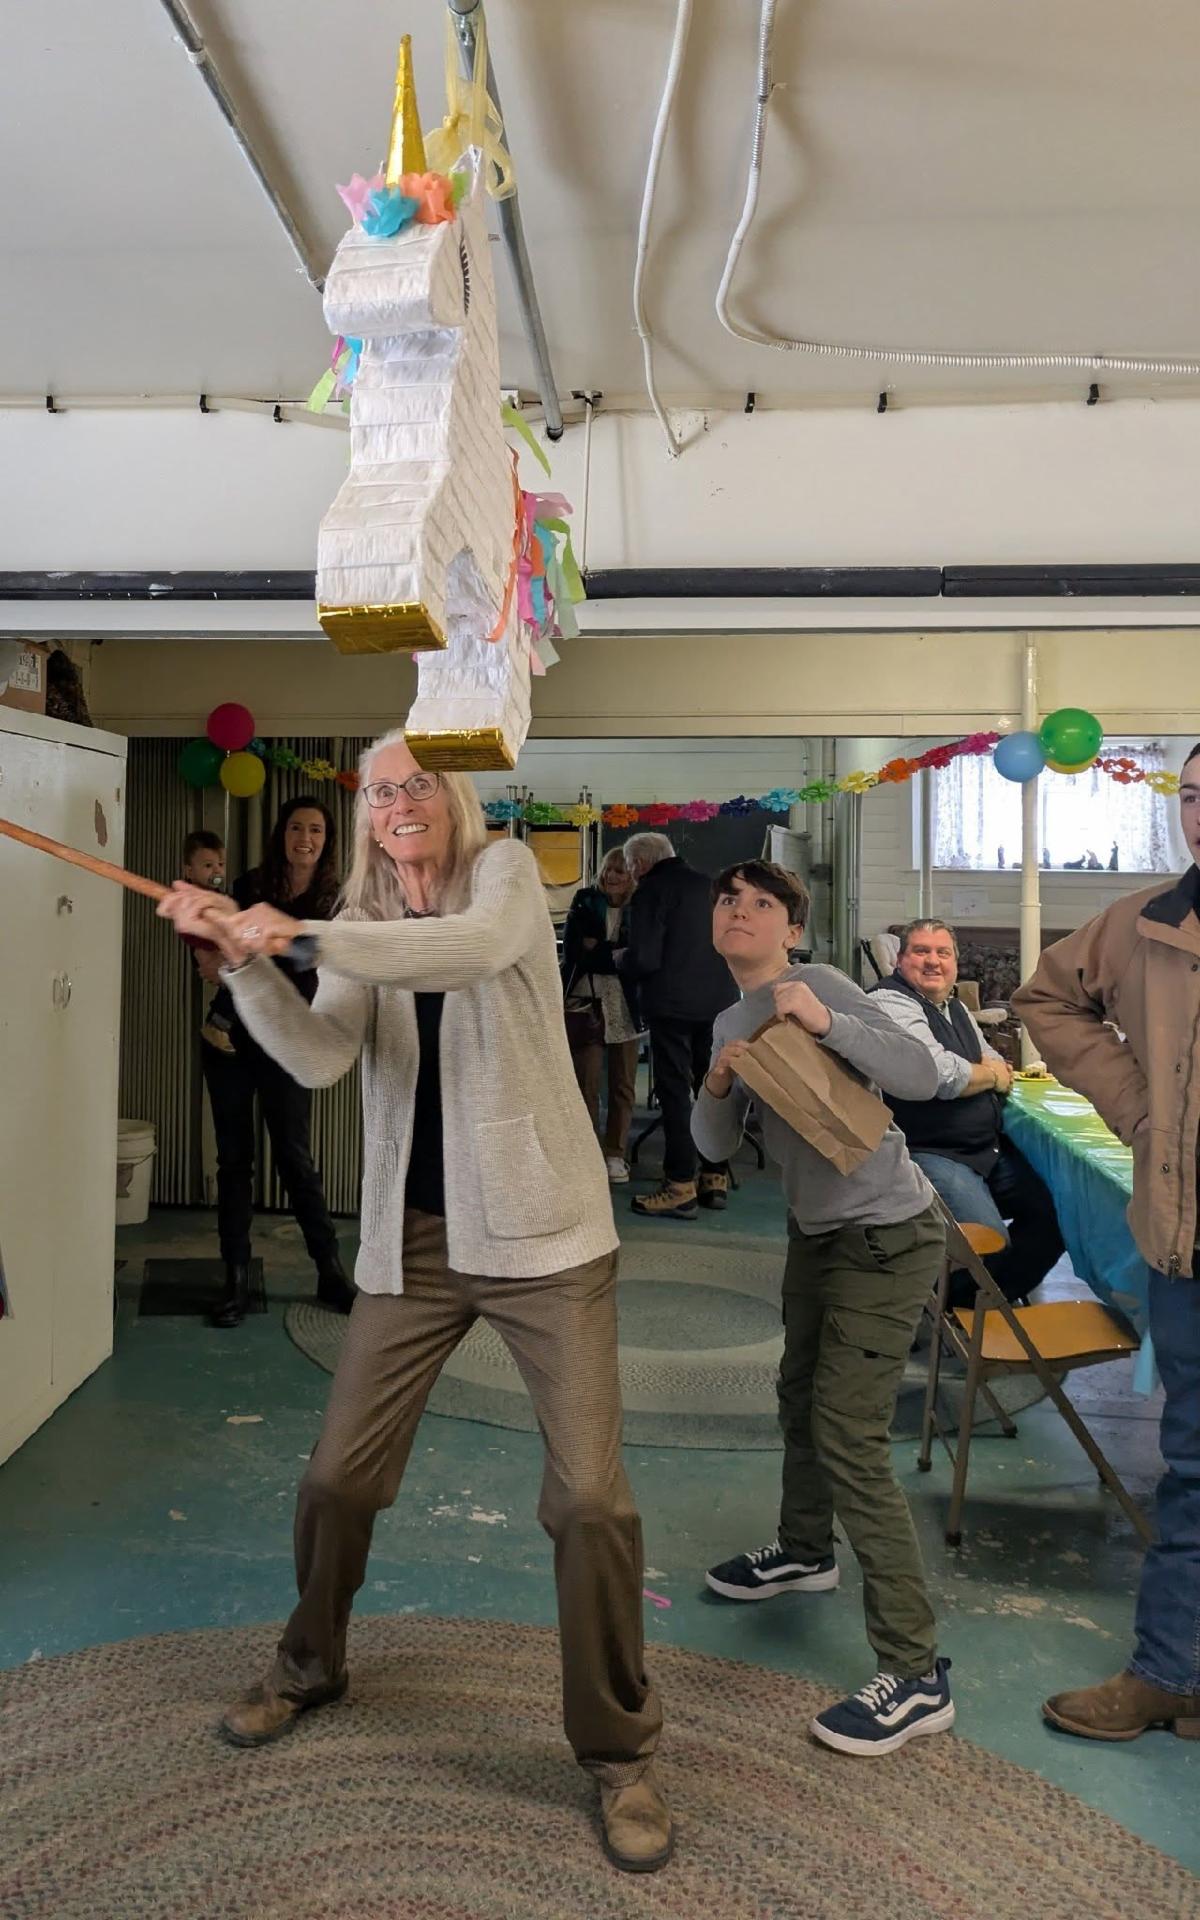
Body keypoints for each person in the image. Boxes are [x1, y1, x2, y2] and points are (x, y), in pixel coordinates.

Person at [158, 731, 671, 1874]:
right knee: (337, 1479)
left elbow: (469, 951)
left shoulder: (504, 878)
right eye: (380, 790)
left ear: (453, 796)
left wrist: (292, 933)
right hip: (417, 1241)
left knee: (590, 1502)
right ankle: (310, 1665)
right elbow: (320, 1057)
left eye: (417, 785)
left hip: (545, 1237)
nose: (399, 803)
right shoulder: (362, 913)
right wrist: (242, 965)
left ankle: (619, 1750)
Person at [693, 861, 955, 1757]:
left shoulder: (824, 984)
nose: (740, 912)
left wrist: (826, 1020)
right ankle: (805, 1551)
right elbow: (711, 1147)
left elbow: (919, 1073)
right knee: (798, 1397)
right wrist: (717, 1084)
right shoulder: (728, 1019)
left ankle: (917, 1673)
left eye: (762, 903)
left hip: (889, 1234)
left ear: (792, 931)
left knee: (848, 1435)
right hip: (817, 1235)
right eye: (728, 900)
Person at [1011, 742, 1200, 1743]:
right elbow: (1045, 999)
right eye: (1193, 796)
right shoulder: (1145, 925)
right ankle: (1172, 1672)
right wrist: (1141, 1112)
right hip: (1188, 1244)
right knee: (1193, 1467)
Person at [201, 797, 354, 1328]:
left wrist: (266, 946)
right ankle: (236, 1279)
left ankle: (330, 1271)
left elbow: (316, 958)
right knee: (233, 1161)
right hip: (231, 1037)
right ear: (281, 834)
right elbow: (224, 949)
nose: (304, 839)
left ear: (327, 840)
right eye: (295, 828)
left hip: (290, 1040)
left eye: (315, 830)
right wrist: (215, 956)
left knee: (294, 1157)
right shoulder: (249, 886)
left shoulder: (335, 900)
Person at [869, 919, 1065, 1305]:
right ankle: (943, 1306)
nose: (933, 961)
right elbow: (938, 1074)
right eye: (921, 951)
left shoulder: (953, 1006)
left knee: (1058, 1217)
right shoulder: (889, 1002)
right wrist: (988, 1076)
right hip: (931, 1151)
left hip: (983, 1151)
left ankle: (985, 1303)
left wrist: (984, 1072)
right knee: (991, 1246)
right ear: (899, 960)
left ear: (955, 963)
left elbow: (991, 1059)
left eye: (943, 953)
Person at [618, 833, 737, 1219]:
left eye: (630, 867)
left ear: (640, 864)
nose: (631, 874)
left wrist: (618, 959)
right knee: (712, 1088)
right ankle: (715, 1176)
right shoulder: (711, 887)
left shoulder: (651, 891)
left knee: (674, 1093)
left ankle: (679, 1185)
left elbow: (645, 958)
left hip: (672, 1007)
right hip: (719, 1001)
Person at [561, 849, 642, 1184]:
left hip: (627, 1004)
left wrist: (600, 950)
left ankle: (615, 1155)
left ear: (631, 877)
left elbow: (639, 957)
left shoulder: (641, 907)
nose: (611, 876)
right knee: (586, 1082)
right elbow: (574, 952)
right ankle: (587, 1152)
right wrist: (614, 954)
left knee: (623, 1084)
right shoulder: (584, 899)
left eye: (620, 871)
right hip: (585, 1002)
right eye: (608, 870)